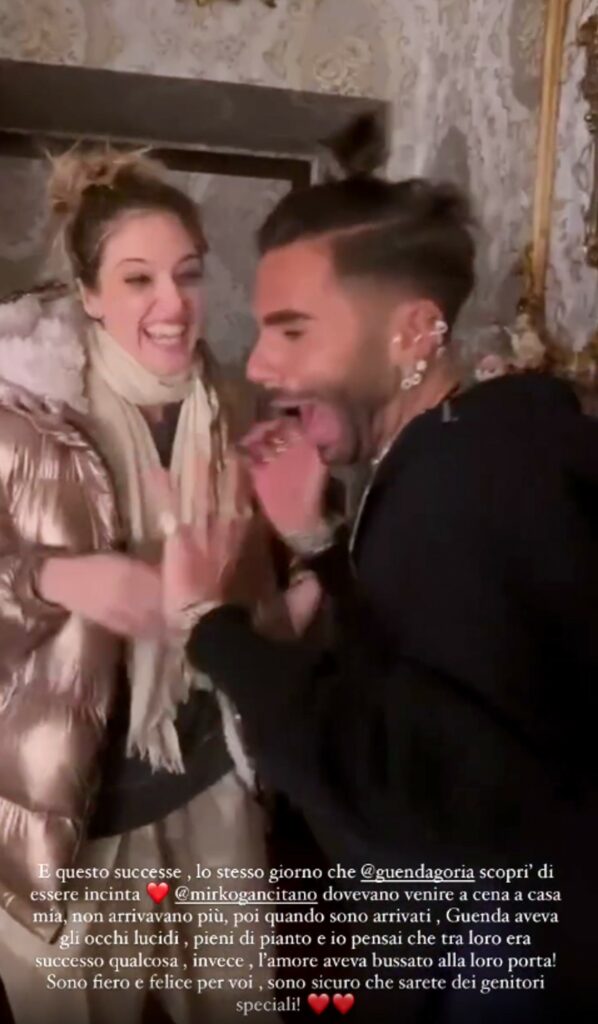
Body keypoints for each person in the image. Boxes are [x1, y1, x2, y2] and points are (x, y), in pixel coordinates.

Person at [176, 116, 598, 1022]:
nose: (259, 362)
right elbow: (422, 668)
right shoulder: (454, 449)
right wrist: (321, 543)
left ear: (412, 333)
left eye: (292, 330)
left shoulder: (473, 481)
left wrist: (213, 631)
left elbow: (411, 791)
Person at [0, 150, 282, 1024]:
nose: (173, 303)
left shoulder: (224, 404)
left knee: (241, 1004)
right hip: (73, 803)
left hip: (209, 769)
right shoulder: (24, 413)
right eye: (137, 279)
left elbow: (251, 577)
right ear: (88, 294)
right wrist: (55, 576)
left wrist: (287, 583)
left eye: (188, 274)